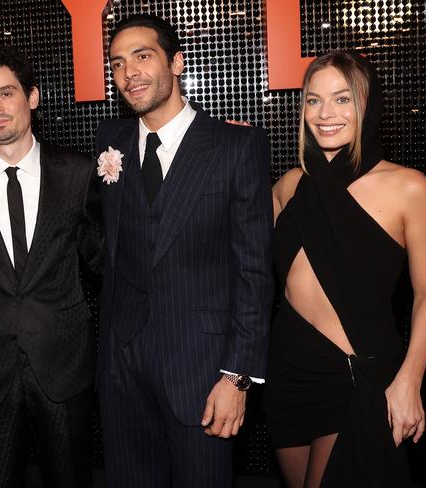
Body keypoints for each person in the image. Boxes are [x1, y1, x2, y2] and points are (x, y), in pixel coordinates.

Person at [95, 14, 274, 487]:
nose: (129, 71)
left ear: (176, 63)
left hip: (201, 370)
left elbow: (255, 272)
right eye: (117, 63)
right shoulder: (109, 143)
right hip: (122, 370)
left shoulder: (236, 145)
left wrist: (237, 377)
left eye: (142, 56)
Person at [264, 50, 426, 487]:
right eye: (313, 100)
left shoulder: (408, 187)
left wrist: (410, 380)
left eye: (342, 99)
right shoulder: (287, 187)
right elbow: (244, 268)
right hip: (288, 372)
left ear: (367, 105)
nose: (326, 114)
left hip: (356, 377)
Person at [0, 43, 104, 488]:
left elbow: (107, 260)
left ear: (31, 97)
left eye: (6, 93)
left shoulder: (77, 173)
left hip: (63, 365)